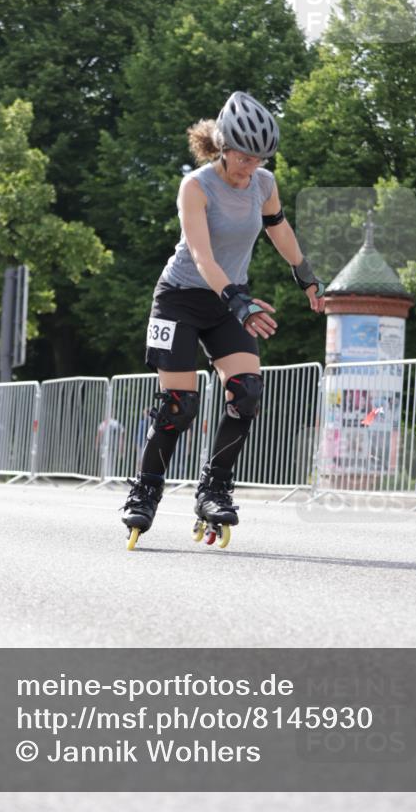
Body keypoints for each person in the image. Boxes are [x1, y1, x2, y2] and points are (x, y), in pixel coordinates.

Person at [121, 91, 325, 548]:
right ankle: (145, 491)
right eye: (244, 157)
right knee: (179, 405)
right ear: (223, 144)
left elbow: (278, 227)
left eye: (260, 159)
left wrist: (307, 276)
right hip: (179, 299)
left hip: (229, 302)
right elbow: (200, 253)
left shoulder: (263, 184)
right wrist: (238, 300)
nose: (250, 167)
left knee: (246, 394)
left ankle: (214, 489)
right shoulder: (196, 186)